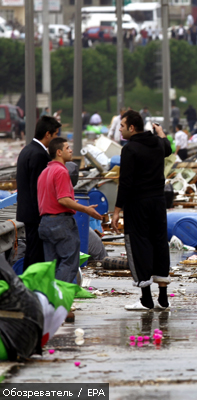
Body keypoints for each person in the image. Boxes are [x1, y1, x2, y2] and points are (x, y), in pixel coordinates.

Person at [111, 110, 172, 311]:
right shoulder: (156, 142)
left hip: (138, 204)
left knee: (139, 245)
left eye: (122, 126)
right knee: (159, 243)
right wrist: (161, 132)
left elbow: (125, 182)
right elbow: (168, 148)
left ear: (131, 128)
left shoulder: (130, 149)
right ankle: (163, 298)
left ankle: (146, 300)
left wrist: (117, 209)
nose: (119, 129)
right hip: (158, 202)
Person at [37, 137, 102, 283]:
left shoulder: (44, 172)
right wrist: (85, 209)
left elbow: (52, 199)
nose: (71, 150)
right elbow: (63, 200)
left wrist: (71, 202)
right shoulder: (61, 171)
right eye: (67, 148)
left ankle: (51, 301)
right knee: (70, 261)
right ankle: (60, 296)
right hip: (60, 223)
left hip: (45, 223)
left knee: (52, 265)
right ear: (59, 152)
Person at [16, 116, 60, 271]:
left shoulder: (27, 150)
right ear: (47, 134)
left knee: (32, 251)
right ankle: (32, 287)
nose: (56, 139)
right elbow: (39, 188)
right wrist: (43, 215)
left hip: (27, 211)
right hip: (35, 214)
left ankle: (28, 287)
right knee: (36, 254)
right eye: (55, 135)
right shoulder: (39, 155)